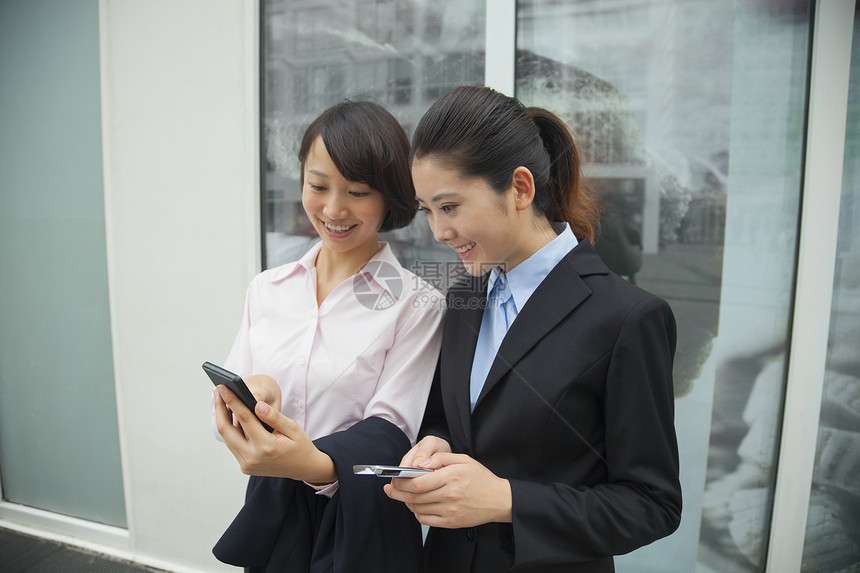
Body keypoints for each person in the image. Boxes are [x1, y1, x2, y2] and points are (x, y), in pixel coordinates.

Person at [384, 86, 681, 573]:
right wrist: (435, 444)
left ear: (520, 189)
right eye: (427, 210)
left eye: (450, 207)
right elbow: (446, 416)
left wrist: (506, 500)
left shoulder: (628, 318)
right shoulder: (463, 295)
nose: (438, 231)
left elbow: (652, 505)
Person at [211, 101, 444, 573]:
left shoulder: (417, 304)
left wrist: (310, 464)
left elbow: (392, 433)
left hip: (364, 522)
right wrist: (255, 398)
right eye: (318, 186)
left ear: (389, 198)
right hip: (274, 515)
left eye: (357, 192)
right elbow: (239, 398)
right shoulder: (267, 288)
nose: (334, 209)